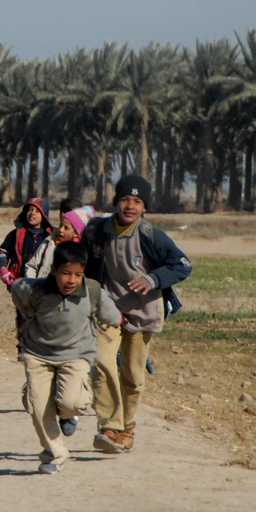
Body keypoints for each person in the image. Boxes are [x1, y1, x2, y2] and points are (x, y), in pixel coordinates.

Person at [81, 174, 192, 453]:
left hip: (143, 312)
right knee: (102, 362)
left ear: (144, 207)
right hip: (107, 310)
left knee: (132, 374)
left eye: (137, 201)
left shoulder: (150, 235)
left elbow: (182, 265)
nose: (130, 206)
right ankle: (108, 425)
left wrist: (153, 279)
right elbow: (80, 261)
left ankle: (127, 429)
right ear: (116, 202)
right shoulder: (97, 231)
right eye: (125, 199)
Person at [11, 242, 121, 474]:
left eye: (78, 274)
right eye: (66, 273)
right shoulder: (37, 290)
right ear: (53, 271)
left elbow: (113, 317)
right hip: (38, 355)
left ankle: (67, 410)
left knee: (71, 403)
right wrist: (28, 313)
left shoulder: (92, 292)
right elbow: (16, 287)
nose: (71, 280)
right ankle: (53, 453)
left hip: (77, 356)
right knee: (39, 408)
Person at [24, 204, 96, 280]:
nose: (60, 230)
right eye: (60, 225)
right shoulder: (50, 242)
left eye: (66, 228)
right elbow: (32, 266)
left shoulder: (81, 253)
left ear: (76, 233)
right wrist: (32, 284)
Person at [0, 197, 52, 288]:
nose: (32, 213)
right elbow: (3, 252)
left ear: (44, 215)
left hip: (43, 284)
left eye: (37, 211)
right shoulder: (16, 234)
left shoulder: (50, 236)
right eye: (30, 210)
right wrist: (3, 268)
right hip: (19, 283)